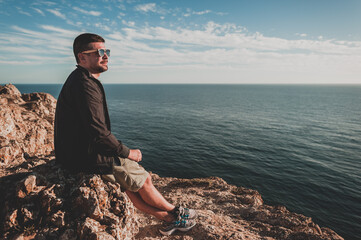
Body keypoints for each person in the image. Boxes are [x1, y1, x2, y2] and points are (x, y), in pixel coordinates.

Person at [54, 33, 197, 236]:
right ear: (82, 57)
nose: (105, 56)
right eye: (99, 52)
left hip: (74, 155)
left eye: (106, 51)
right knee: (144, 179)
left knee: (130, 187)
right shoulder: (85, 86)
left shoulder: (79, 79)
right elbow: (99, 134)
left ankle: (169, 219)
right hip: (88, 157)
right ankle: (177, 213)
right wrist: (129, 153)